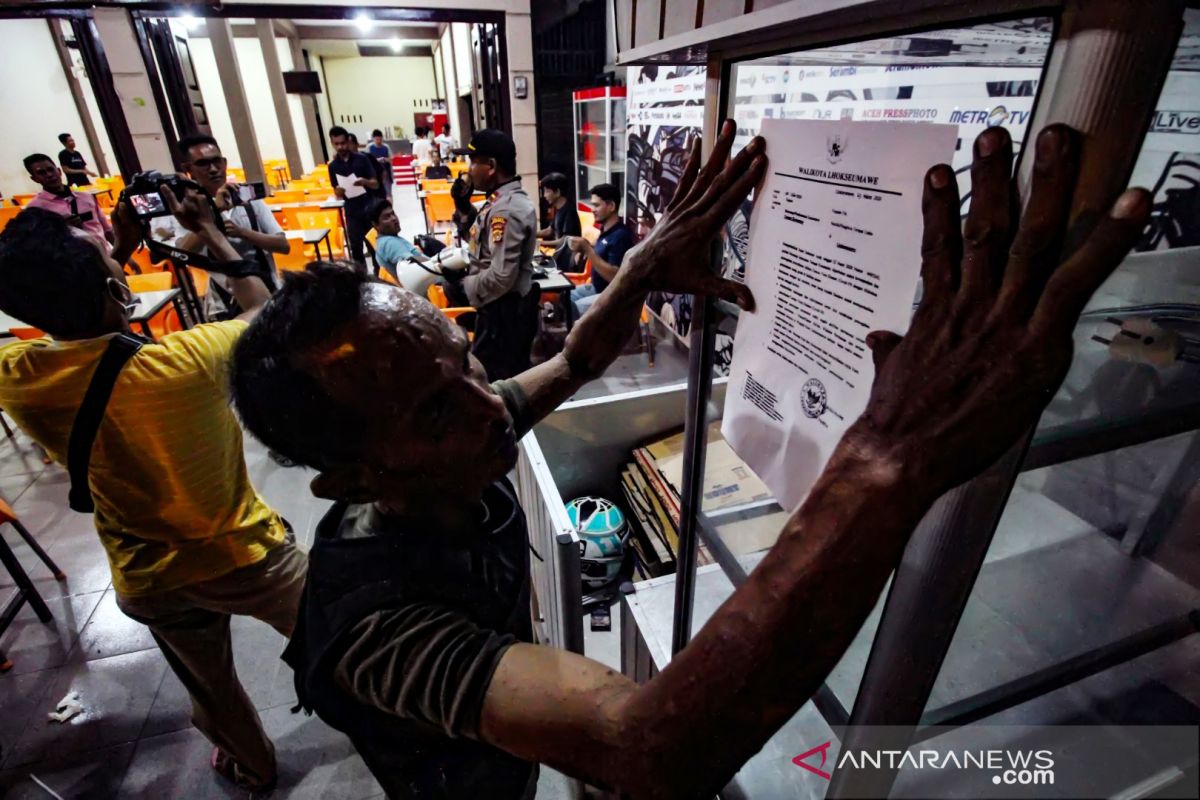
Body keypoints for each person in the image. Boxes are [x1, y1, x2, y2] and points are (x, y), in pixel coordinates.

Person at [228, 121, 1150, 798]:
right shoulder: (375, 633)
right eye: (436, 408)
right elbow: (649, 748)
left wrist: (640, 266)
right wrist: (888, 456)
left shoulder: (455, 438)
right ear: (352, 479)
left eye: (465, 365)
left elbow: (575, 361)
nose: (486, 405)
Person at [0, 189, 309, 793]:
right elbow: (265, 313)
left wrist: (110, 250)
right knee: (334, 636)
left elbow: (80, 314)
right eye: (106, 257)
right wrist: (214, 234)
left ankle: (254, 763)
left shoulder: (21, 378)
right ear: (116, 287)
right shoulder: (189, 361)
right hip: (248, 557)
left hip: (149, 575)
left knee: (211, 688)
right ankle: (385, 715)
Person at [159, 133, 288, 317]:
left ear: (224, 163)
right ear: (189, 169)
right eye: (203, 164)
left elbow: (283, 245)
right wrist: (214, 211)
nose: (213, 169)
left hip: (267, 289)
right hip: (223, 301)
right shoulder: (188, 208)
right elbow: (183, 254)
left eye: (216, 161)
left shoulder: (249, 199)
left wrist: (243, 233)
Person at [449, 128, 539, 380]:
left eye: (472, 161)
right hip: (496, 311)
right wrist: (463, 207)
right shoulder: (497, 202)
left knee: (495, 387)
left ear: (490, 165)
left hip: (505, 316)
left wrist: (462, 287)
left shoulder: (506, 210)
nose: (468, 169)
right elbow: (479, 243)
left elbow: (501, 277)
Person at [567, 182, 634, 315]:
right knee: (564, 296)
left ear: (611, 206)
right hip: (596, 288)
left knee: (574, 308)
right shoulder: (606, 230)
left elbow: (614, 276)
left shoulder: (621, 236)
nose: (592, 209)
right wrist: (585, 250)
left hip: (613, 296)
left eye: (597, 205)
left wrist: (588, 250)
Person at [23, 153, 112, 244]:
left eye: (51, 169)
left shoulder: (86, 197)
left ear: (59, 171)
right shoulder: (35, 208)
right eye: (41, 173)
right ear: (34, 179)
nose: (49, 175)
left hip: (105, 254)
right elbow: (38, 244)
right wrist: (62, 228)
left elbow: (108, 230)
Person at [328, 125, 380, 272]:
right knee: (356, 248)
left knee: (374, 246)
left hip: (368, 207)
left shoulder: (362, 159)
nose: (340, 147)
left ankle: (378, 275)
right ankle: (362, 278)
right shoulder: (333, 166)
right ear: (332, 144)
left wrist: (365, 182)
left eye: (343, 143)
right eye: (336, 144)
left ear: (348, 141)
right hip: (351, 211)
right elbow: (336, 192)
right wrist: (338, 191)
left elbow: (375, 184)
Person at [368, 198, 429, 282]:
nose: (394, 218)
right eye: (387, 217)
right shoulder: (389, 243)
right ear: (376, 225)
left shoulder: (387, 239)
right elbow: (415, 263)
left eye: (393, 214)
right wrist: (440, 264)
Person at [537, 172, 581, 273]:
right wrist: (529, 234)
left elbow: (565, 241)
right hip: (558, 257)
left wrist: (541, 243)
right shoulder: (558, 209)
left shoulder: (569, 211)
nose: (544, 195)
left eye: (547, 191)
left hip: (565, 262)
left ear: (557, 192)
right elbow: (550, 231)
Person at [368, 129, 393, 193]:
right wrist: (376, 160)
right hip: (374, 174)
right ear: (373, 139)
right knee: (376, 193)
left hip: (386, 173)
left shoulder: (386, 147)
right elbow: (367, 160)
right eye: (377, 140)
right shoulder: (370, 147)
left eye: (380, 139)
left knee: (388, 192)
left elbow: (391, 159)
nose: (379, 141)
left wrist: (385, 159)